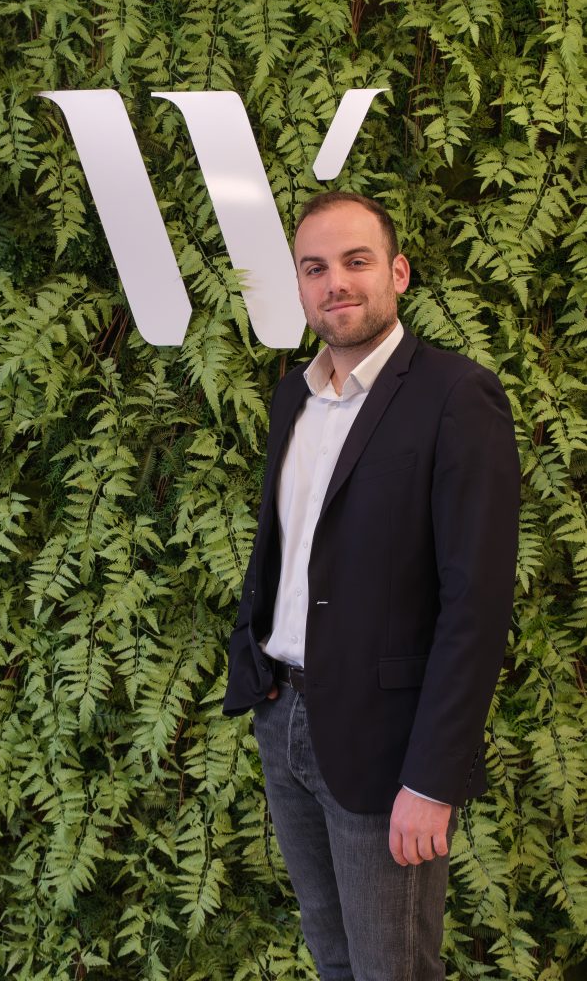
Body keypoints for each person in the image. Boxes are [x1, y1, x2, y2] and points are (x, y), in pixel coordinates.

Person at [222, 192, 520, 981]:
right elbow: (284, 550)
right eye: (314, 268)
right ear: (298, 285)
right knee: (333, 960)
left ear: (397, 273)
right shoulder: (293, 395)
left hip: (388, 748)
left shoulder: (456, 396)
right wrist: (255, 669)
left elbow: (476, 605)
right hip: (283, 720)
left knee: (393, 970)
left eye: (356, 261)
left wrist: (432, 777)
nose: (335, 283)